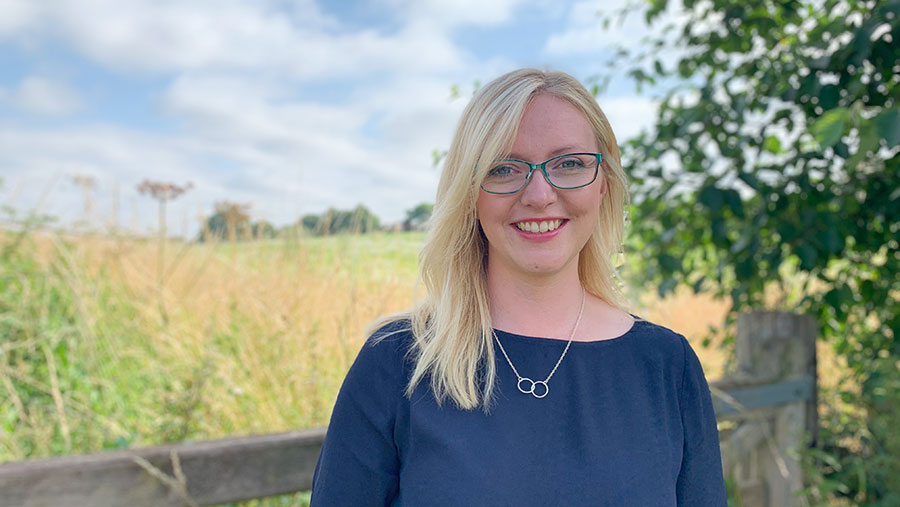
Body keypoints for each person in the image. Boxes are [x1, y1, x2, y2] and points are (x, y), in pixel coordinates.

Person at [311, 68, 727, 506]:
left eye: (570, 164)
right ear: (469, 190)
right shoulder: (398, 364)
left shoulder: (666, 366)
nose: (539, 194)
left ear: (604, 182)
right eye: (505, 168)